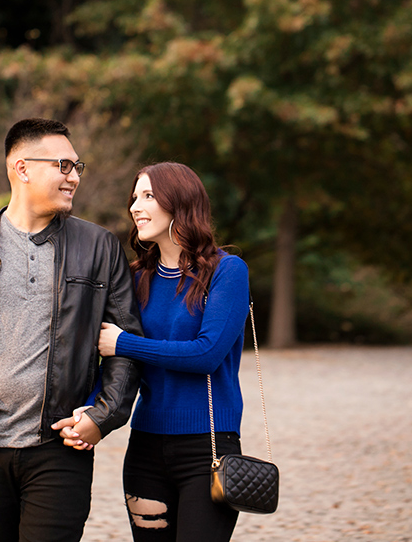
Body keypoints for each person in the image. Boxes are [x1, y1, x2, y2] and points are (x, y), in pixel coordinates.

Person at [0, 117, 143, 542]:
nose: (73, 177)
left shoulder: (99, 246)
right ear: (22, 168)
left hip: (60, 447)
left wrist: (103, 416)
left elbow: (125, 344)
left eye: (77, 167)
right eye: (63, 166)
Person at [96, 161, 250, 541]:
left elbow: (206, 354)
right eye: (134, 197)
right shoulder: (135, 277)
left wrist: (124, 342)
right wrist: (90, 407)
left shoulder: (227, 272)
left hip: (208, 449)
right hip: (145, 448)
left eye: (148, 196)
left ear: (179, 202)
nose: (135, 207)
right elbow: (117, 364)